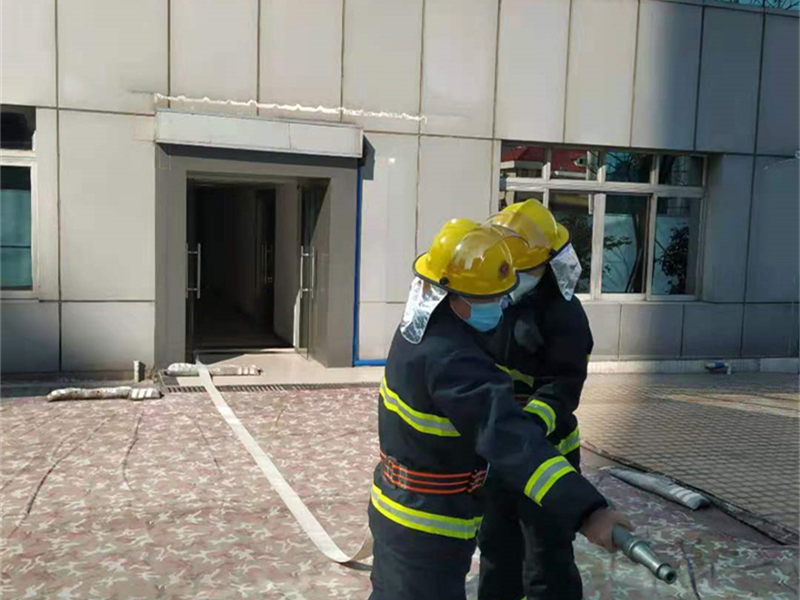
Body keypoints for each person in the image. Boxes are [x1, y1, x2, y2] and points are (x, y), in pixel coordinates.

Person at [368, 218, 630, 600]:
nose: (499, 306)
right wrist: (589, 511)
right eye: (487, 299)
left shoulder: (424, 327)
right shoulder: (449, 356)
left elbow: (557, 389)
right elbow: (506, 435)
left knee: (542, 560)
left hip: (413, 509)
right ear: (452, 295)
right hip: (426, 523)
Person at [478, 200, 595, 600]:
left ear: (547, 263)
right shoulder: (495, 305)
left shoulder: (565, 314)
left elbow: (563, 386)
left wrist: (527, 427)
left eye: (522, 268)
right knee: (496, 550)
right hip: (501, 457)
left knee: (547, 559)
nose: (514, 276)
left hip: (547, 456)